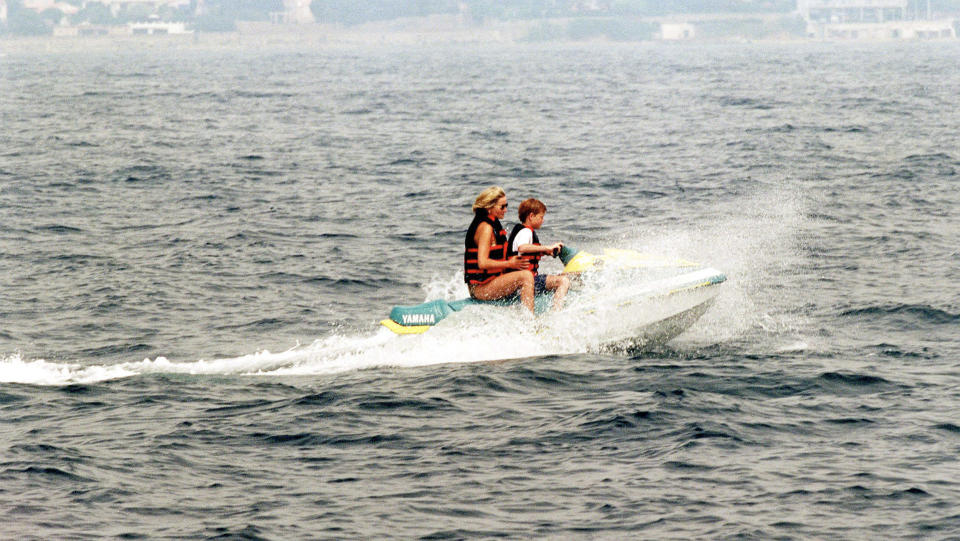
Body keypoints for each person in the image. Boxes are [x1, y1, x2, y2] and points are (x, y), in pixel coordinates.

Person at [464, 186, 536, 313]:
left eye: (506, 205)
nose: (506, 210)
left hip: (492, 281)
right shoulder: (485, 228)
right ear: (489, 207)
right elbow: (482, 262)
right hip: (480, 289)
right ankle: (530, 323)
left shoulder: (494, 223)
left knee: (529, 273)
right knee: (526, 277)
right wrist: (509, 263)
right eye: (502, 207)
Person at [507, 198, 571, 311]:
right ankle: (556, 313)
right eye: (541, 217)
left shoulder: (521, 231)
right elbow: (523, 247)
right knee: (563, 280)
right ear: (531, 216)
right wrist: (547, 247)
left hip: (520, 281)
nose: (543, 220)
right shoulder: (525, 231)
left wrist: (548, 252)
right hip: (524, 282)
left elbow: (529, 250)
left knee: (558, 276)